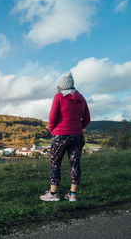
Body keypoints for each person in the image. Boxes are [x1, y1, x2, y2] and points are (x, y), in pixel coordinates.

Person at [40, 72, 90, 202]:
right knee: (75, 165)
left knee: (55, 164)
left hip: (61, 136)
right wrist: (78, 128)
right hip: (77, 136)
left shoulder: (59, 97)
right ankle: (72, 194)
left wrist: (53, 130)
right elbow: (87, 118)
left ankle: (53, 193)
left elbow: (52, 118)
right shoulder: (81, 98)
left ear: (62, 86)